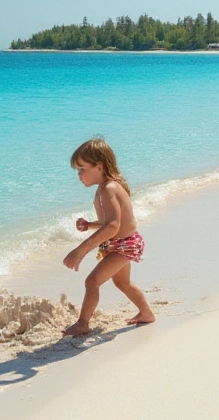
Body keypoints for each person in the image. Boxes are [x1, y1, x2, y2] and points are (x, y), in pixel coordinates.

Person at [62, 138, 156, 336]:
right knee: (122, 283)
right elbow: (112, 221)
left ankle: (83, 324)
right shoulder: (104, 188)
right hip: (120, 243)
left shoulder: (109, 189)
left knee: (92, 281)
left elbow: (113, 226)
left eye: (82, 169)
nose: (79, 175)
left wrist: (81, 250)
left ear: (99, 166)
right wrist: (90, 225)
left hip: (125, 245)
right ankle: (146, 313)